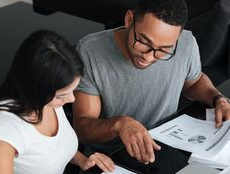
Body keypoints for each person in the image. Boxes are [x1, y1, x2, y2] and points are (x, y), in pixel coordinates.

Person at [0, 30, 126, 174]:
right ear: (35, 88)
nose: (72, 100)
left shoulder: (49, 102)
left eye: (73, 90)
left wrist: (83, 160)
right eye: (63, 95)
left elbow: (49, 145)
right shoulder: (3, 129)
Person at [73, 0, 230, 164]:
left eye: (163, 50)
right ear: (129, 20)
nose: (148, 57)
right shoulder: (90, 51)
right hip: (111, 159)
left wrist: (218, 99)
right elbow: (83, 128)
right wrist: (119, 124)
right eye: (143, 41)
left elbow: (194, 83)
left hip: (167, 148)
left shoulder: (186, 43)